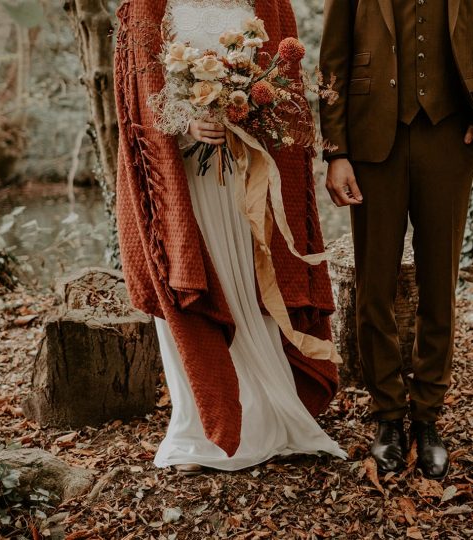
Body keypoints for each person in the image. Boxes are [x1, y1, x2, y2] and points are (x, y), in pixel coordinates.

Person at [113, 0, 346, 473]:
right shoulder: (146, 5)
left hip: (247, 169)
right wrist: (184, 123)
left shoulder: (270, 4)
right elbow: (137, 91)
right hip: (185, 178)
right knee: (197, 276)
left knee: (253, 279)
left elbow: (285, 82)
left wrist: (252, 110)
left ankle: (269, 414)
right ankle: (203, 422)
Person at [319, 0, 473, 479]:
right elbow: (333, 62)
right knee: (374, 288)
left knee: (438, 286)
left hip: (449, 140)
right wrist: (336, 152)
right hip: (372, 143)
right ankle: (388, 415)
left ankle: (427, 416)